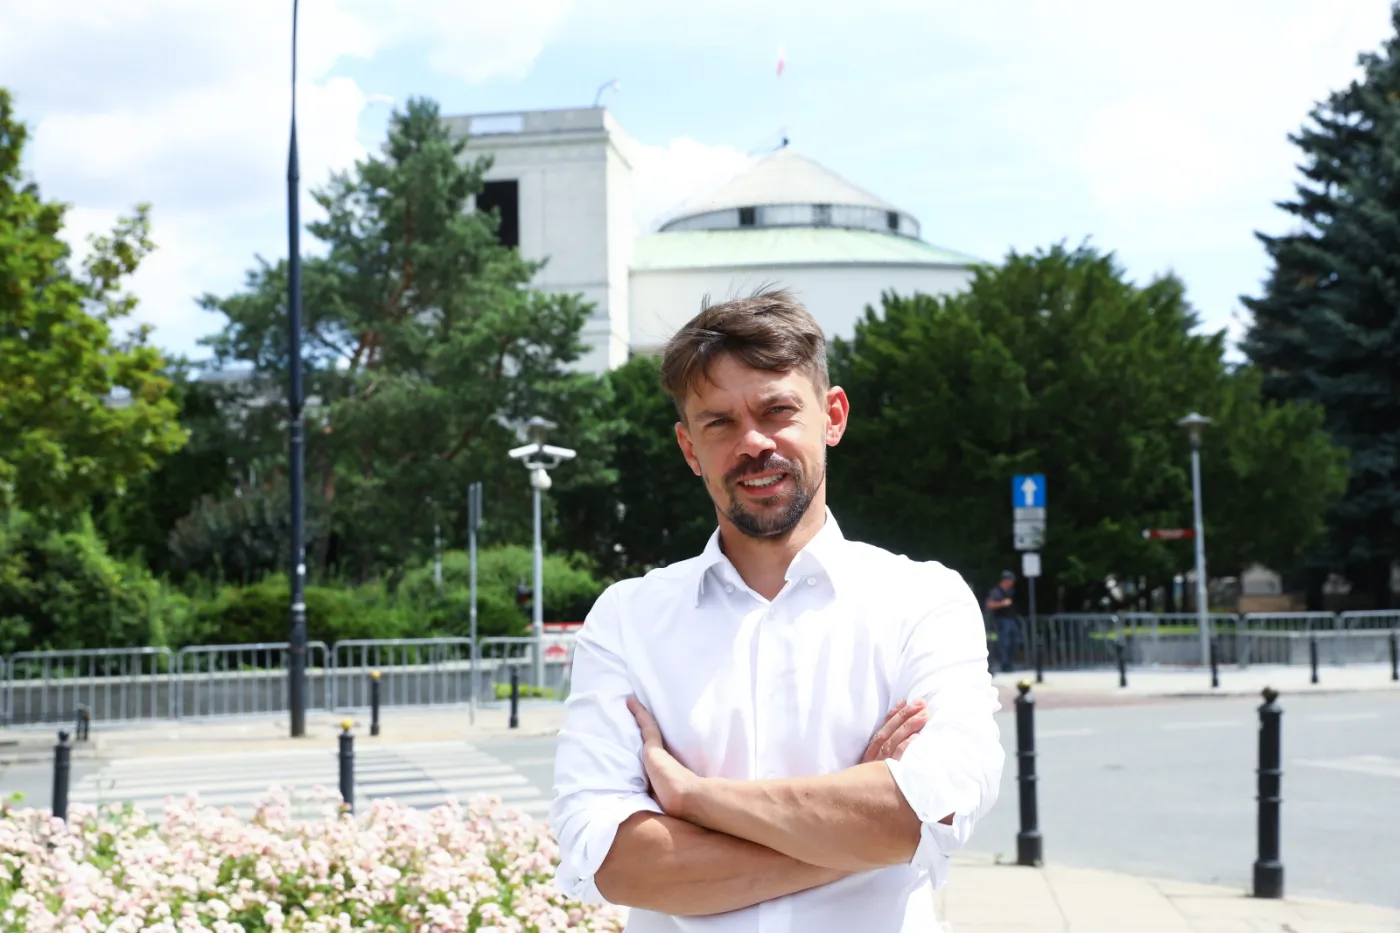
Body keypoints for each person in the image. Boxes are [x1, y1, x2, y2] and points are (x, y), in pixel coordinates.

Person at [549, 289, 1004, 932]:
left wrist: (693, 800)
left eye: (778, 410)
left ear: (833, 416)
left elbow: (936, 809)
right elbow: (612, 862)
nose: (753, 443)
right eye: (719, 423)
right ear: (688, 447)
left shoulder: (923, 600)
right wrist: (853, 831)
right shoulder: (626, 619)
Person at [986, 571, 1020, 672]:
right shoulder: (996, 592)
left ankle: (1009, 662)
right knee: (1004, 643)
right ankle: (1005, 664)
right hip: (1001, 620)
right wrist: (1002, 604)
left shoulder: (1010, 591)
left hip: (1011, 619)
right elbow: (990, 605)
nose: (1012, 583)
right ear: (1006, 581)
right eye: (1011, 580)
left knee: (1015, 640)